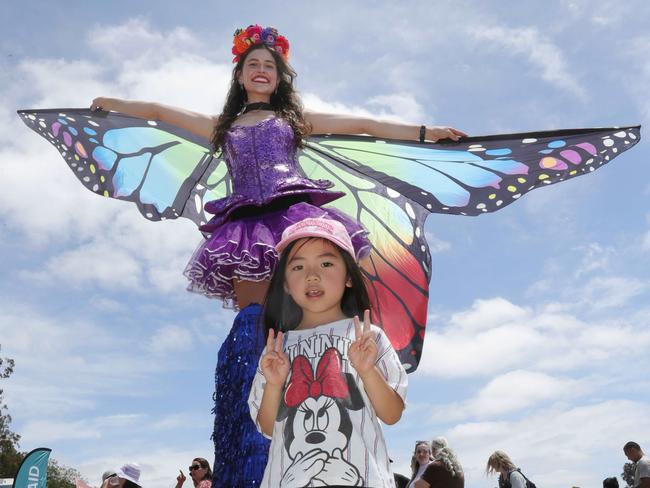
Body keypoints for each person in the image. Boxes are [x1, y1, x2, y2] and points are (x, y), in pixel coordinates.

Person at [90, 24, 463, 488]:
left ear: (280, 76)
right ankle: (249, 450)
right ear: (241, 75)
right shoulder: (220, 127)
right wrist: (114, 104)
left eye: (270, 65)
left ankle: (327, 416)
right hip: (244, 228)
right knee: (253, 326)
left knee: (306, 312)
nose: (262, 70)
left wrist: (426, 132)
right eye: (254, 65)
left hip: (294, 221)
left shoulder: (294, 121)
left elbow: (366, 125)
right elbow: (160, 112)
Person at [248, 217, 408, 487]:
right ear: (285, 284)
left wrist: (367, 371)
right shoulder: (277, 349)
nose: (312, 275)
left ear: (348, 276)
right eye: (297, 266)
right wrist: (274, 384)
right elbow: (267, 427)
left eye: (326, 263)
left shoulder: (368, 337)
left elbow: (391, 414)